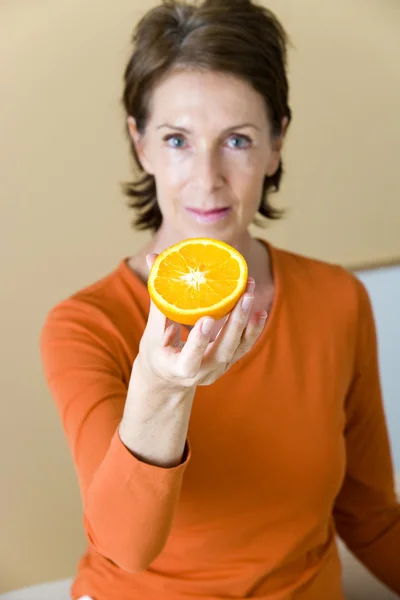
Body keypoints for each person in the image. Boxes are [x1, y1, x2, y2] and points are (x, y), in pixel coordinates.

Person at [40, 0, 400, 598]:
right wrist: (162, 383)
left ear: (277, 142)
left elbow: (370, 515)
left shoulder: (338, 299)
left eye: (237, 139)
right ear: (141, 144)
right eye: (178, 139)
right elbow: (126, 547)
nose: (207, 178)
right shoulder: (86, 325)